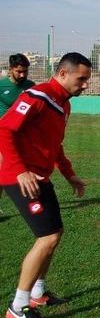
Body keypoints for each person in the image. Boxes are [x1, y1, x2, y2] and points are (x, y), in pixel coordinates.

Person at [0, 52, 91, 318]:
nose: (85, 85)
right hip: (21, 179)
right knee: (47, 237)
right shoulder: (37, 96)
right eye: (82, 79)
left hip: (40, 178)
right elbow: (4, 129)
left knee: (55, 234)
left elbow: (55, 145)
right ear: (63, 74)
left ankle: (38, 294)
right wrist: (19, 169)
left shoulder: (62, 104)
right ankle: (18, 307)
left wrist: (70, 174)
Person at [0, 54, 36, 207]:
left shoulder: (31, 86)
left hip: (24, 135)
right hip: (4, 134)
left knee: (31, 167)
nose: (22, 75)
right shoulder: (1, 87)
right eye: (19, 71)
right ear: (11, 69)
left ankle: (34, 201)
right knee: (1, 167)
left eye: (25, 71)